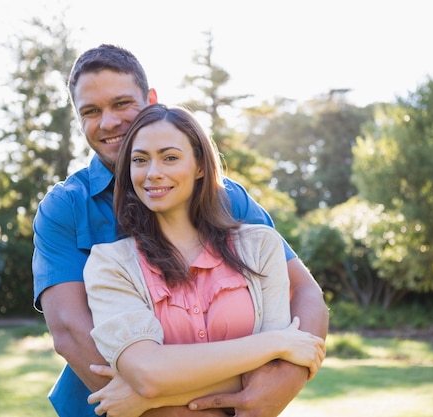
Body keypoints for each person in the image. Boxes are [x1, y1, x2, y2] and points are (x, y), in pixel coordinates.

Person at [32, 44, 329, 417]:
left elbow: (303, 291)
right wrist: (159, 404)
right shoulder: (66, 208)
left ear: (151, 100)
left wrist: (280, 382)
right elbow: (73, 333)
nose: (108, 122)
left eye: (122, 103)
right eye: (91, 111)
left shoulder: (226, 197)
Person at [83, 104, 325, 417]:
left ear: (199, 166)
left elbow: (268, 376)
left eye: (170, 157)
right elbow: (147, 373)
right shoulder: (110, 264)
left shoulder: (261, 247)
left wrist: (150, 396)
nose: (153, 172)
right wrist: (276, 343)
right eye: (140, 160)